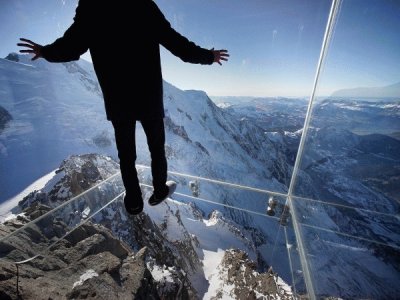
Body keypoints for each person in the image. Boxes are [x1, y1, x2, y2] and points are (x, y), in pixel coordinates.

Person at [17, 0, 229, 216]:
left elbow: (71, 46)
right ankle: (159, 191)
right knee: (157, 147)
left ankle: (134, 202)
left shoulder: (92, 7)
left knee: (126, 155)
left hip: (118, 98)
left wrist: (45, 52)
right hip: (148, 94)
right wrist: (208, 57)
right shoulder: (143, 5)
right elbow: (178, 45)